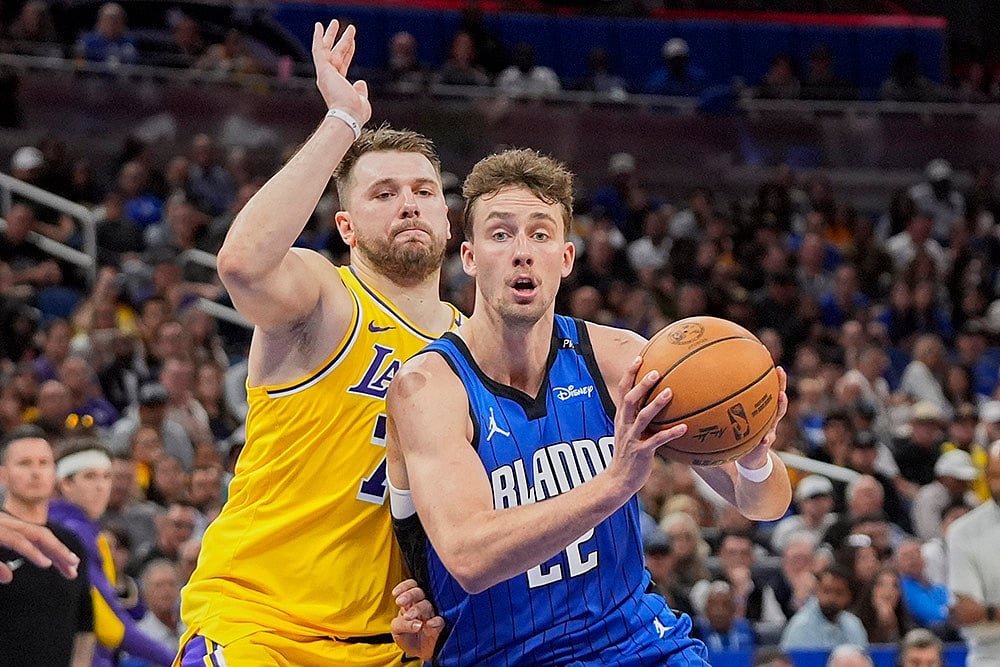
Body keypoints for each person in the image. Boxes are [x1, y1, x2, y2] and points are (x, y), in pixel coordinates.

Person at [386, 147, 792, 665]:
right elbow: (470, 556)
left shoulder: (619, 359)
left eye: (540, 234)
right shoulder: (429, 388)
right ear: (469, 257)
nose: (522, 251)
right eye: (500, 233)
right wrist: (614, 484)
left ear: (566, 258)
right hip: (506, 654)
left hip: (640, 644)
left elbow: (761, 504)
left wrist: (754, 457)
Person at [178, 20, 461, 667]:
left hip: (392, 646)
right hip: (261, 625)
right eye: (383, 193)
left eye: (423, 192)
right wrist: (341, 120)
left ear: (449, 218)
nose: (409, 205)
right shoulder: (324, 296)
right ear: (346, 225)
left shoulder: (471, 344)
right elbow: (244, 264)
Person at [49, 441, 176, 667]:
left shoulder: (89, 532)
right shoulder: (72, 532)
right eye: (90, 477)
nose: (101, 486)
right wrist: (174, 659)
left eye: (107, 477)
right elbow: (111, 627)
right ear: (65, 483)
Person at [0, 425, 95, 666]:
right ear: (3, 474)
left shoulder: (71, 543)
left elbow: (85, 624)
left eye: (44, 463)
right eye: (24, 463)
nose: (36, 472)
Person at [947, 441, 1000, 666]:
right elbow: (966, 612)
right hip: (990, 655)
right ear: (986, 477)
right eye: (997, 475)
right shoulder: (963, 532)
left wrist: (989, 612)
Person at [780, 565, 868, 650]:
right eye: (826, 591)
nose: (831, 598)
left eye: (839, 593)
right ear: (817, 591)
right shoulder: (800, 626)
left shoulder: (854, 624)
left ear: (849, 597)